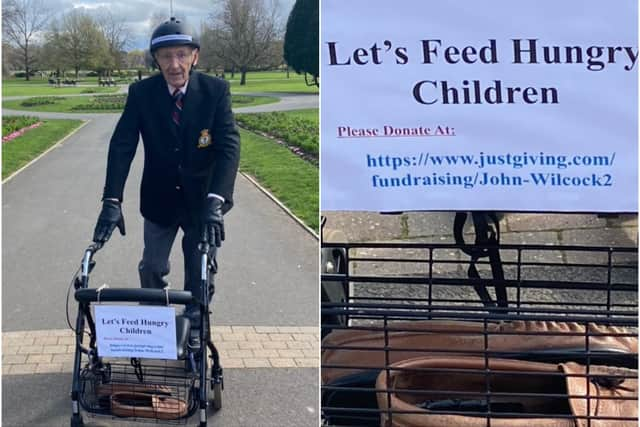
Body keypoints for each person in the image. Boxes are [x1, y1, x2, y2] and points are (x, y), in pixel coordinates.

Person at [92, 17, 240, 338]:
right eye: (166, 56)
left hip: (203, 203)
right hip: (159, 199)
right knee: (152, 267)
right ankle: (156, 326)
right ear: (155, 59)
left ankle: (196, 325)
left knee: (199, 269)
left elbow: (229, 147)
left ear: (194, 56)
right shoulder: (142, 93)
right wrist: (111, 200)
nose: (175, 64)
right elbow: (122, 145)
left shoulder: (215, 91)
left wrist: (218, 200)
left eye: (182, 55)